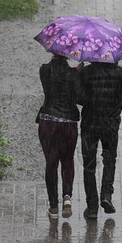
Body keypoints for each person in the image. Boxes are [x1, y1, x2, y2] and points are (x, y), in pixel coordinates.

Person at [77, 61, 122, 219]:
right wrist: (114, 108)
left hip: (90, 125)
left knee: (89, 165)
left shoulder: (87, 72)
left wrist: (78, 74)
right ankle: (106, 195)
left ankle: (92, 207)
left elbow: (78, 98)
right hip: (110, 126)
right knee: (109, 160)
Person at [38, 54, 83, 219]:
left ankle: (53, 207)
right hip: (68, 123)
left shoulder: (44, 70)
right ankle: (67, 197)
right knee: (67, 160)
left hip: (48, 122)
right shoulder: (73, 74)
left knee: (51, 162)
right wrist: (78, 74)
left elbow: (51, 88)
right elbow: (80, 98)